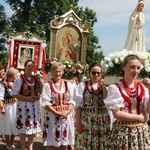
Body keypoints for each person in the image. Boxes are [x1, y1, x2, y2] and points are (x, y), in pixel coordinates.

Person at [104, 54, 150, 149]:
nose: (136, 71)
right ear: (123, 68)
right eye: (132, 67)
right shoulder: (115, 88)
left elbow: (148, 110)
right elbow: (117, 114)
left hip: (141, 132)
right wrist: (139, 117)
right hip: (123, 132)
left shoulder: (143, 88)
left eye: (138, 68)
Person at [74, 62, 110, 149]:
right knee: (85, 144)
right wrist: (78, 123)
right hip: (87, 120)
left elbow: (106, 102)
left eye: (98, 73)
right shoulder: (82, 86)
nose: (96, 75)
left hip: (102, 120)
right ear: (89, 73)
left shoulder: (104, 87)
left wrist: (104, 87)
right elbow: (78, 106)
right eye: (94, 72)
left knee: (101, 144)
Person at [42, 62, 75, 150]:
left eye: (60, 71)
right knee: (52, 142)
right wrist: (56, 112)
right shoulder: (47, 86)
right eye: (56, 71)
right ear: (52, 72)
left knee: (64, 143)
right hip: (53, 116)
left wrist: (67, 111)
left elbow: (72, 100)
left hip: (66, 116)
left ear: (62, 72)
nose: (58, 74)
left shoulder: (68, 85)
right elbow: (46, 103)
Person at [11, 60, 42, 150]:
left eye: (32, 66)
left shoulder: (35, 79)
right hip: (23, 106)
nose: (30, 67)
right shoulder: (19, 79)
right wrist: (27, 99)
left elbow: (41, 90)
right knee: (23, 127)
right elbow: (14, 94)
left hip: (34, 106)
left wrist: (39, 80)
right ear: (24, 67)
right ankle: (23, 147)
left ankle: (30, 147)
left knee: (32, 127)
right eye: (28, 65)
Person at [0, 68, 19, 150]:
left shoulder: (16, 83)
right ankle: (8, 142)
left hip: (16, 106)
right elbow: (0, 97)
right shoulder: (3, 84)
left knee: (14, 124)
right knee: (7, 125)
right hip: (7, 106)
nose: (17, 76)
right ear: (11, 75)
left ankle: (12, 141)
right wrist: (2, 108)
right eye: (15, 74)